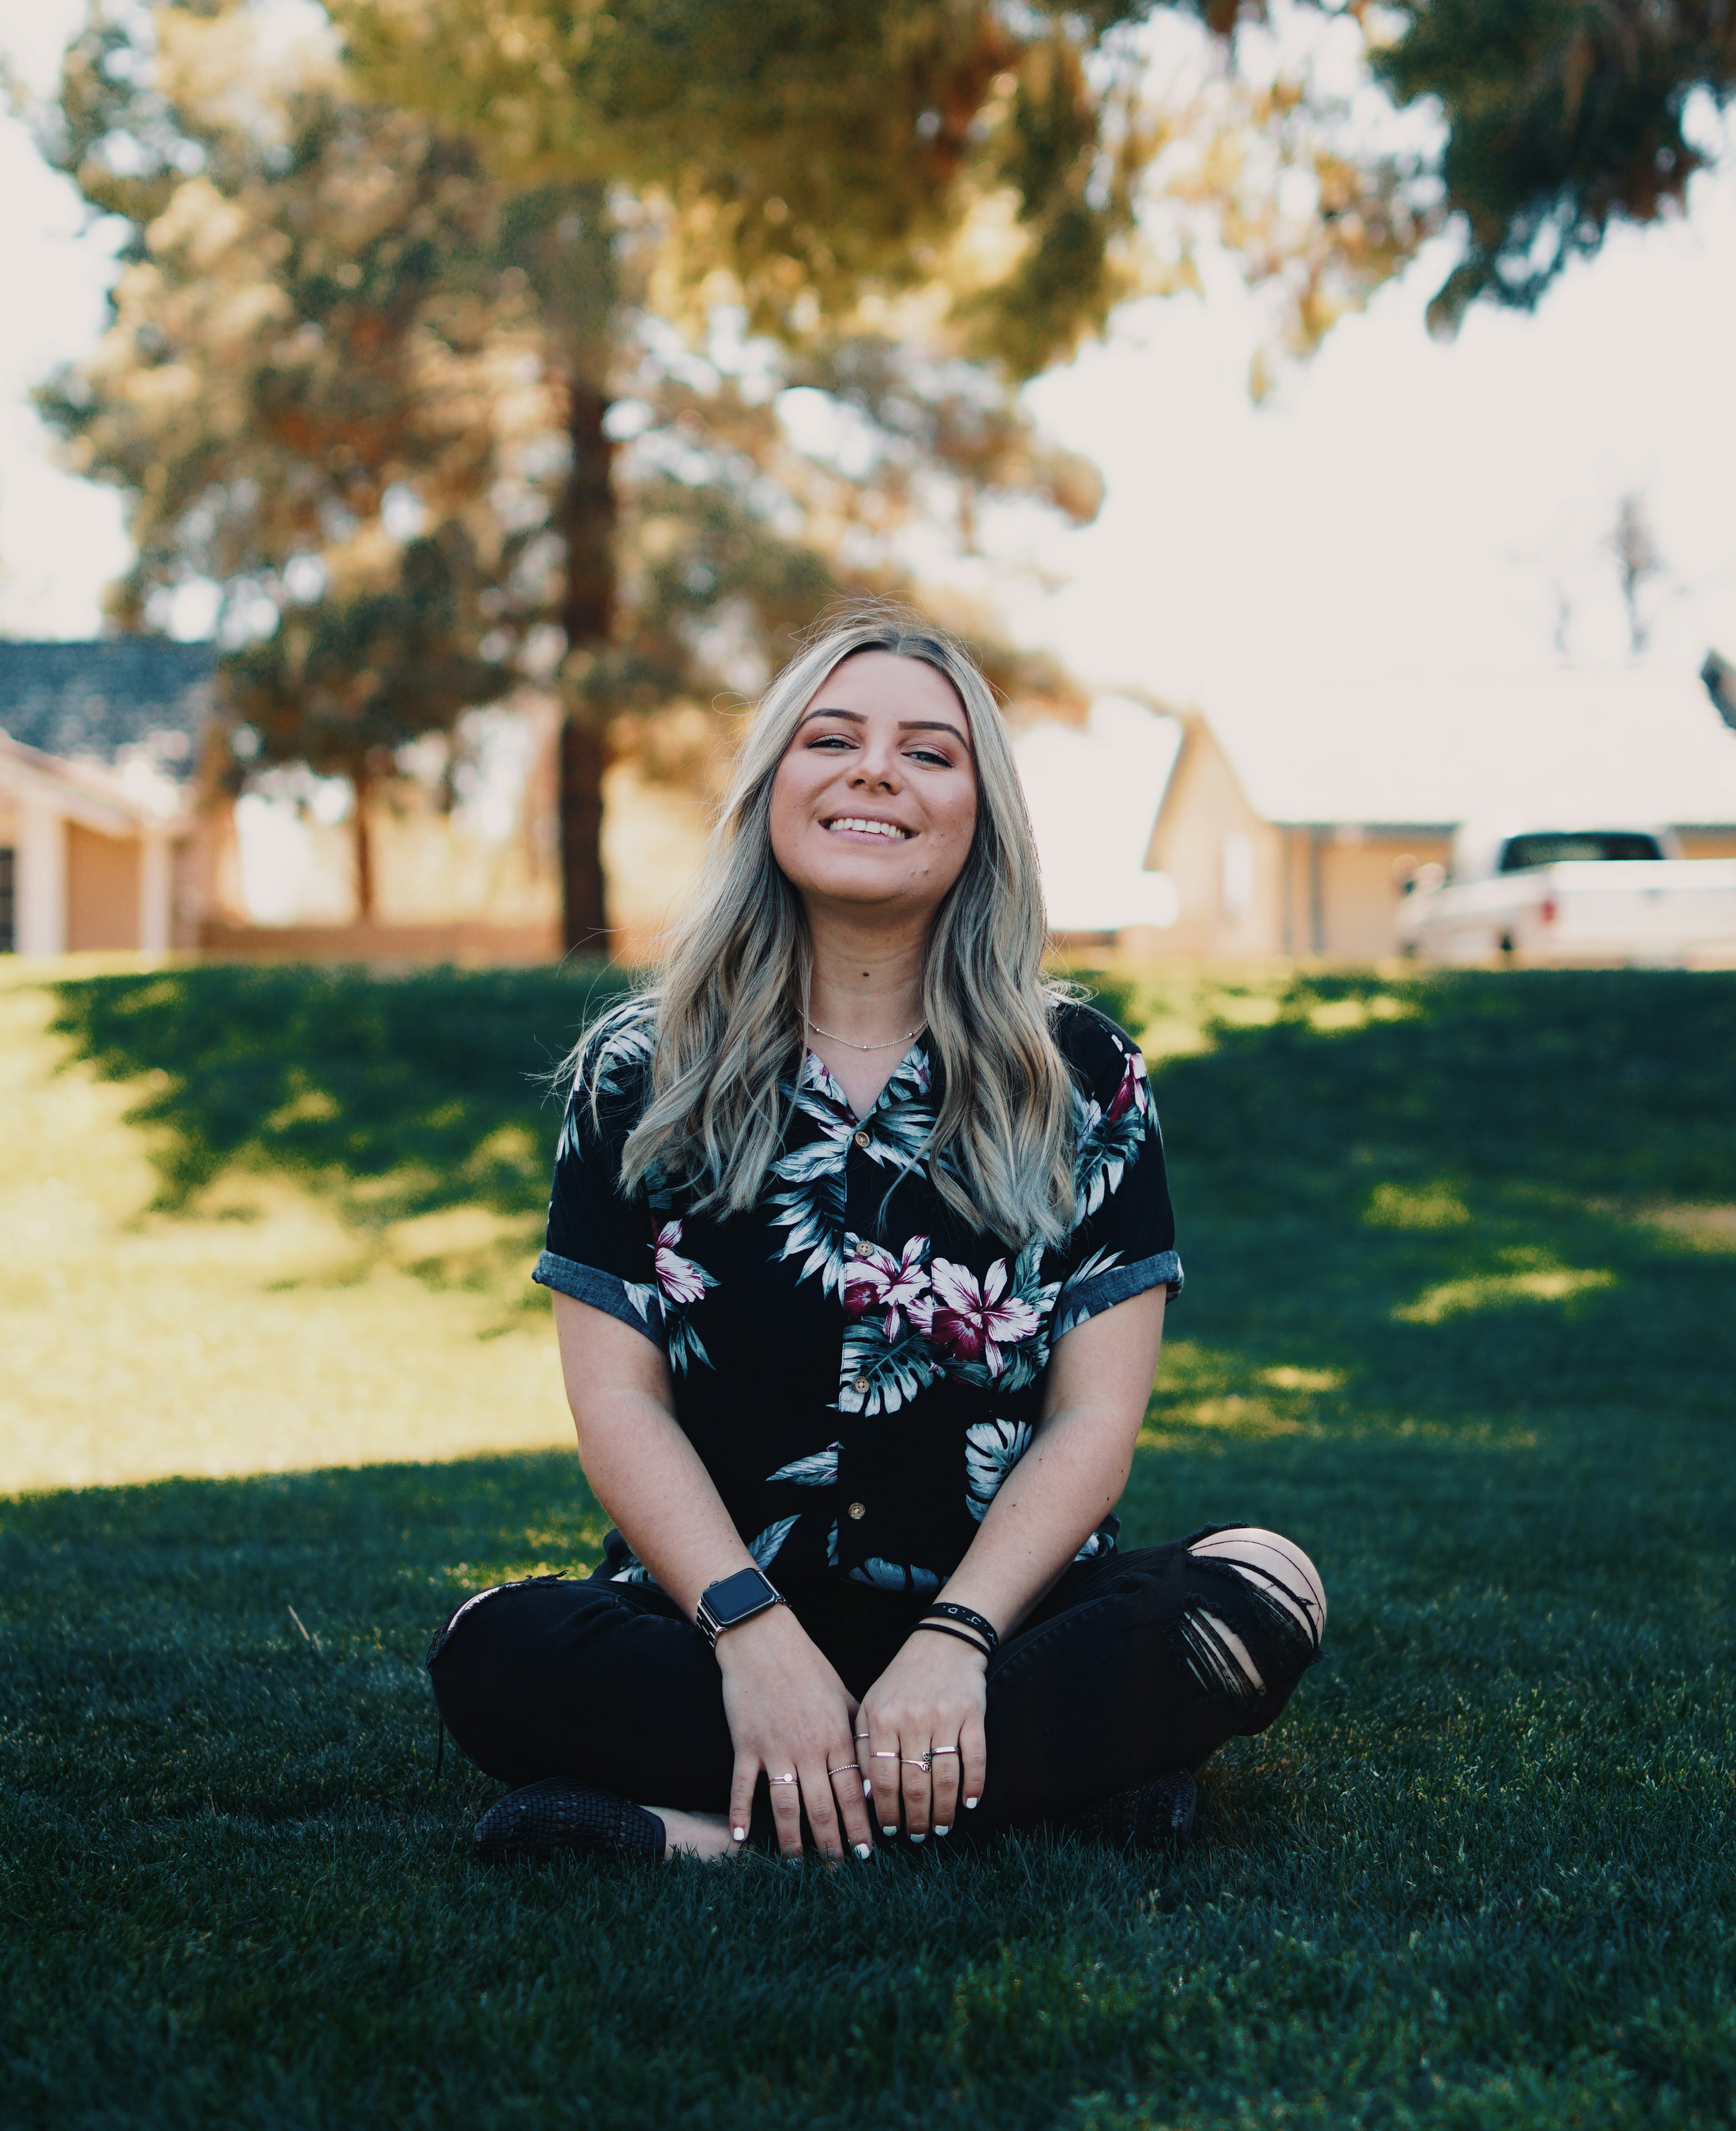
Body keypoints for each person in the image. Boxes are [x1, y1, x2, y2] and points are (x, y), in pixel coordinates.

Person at [428, 610, 1326, 1864]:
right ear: (771, 789)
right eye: (831, 737)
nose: (872, 772)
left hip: (1006, 1622)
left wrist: (956, 1645)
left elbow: (1091, 1423)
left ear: (978, 814)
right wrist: (751, 1635)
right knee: (489, 1648)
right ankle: (1042, 1793)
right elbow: (617, 1404)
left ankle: (706, 1836)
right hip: (716, 1626)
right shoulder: (639, 1075)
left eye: (927, 752)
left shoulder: (1083, 1079)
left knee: (1260, 1586)